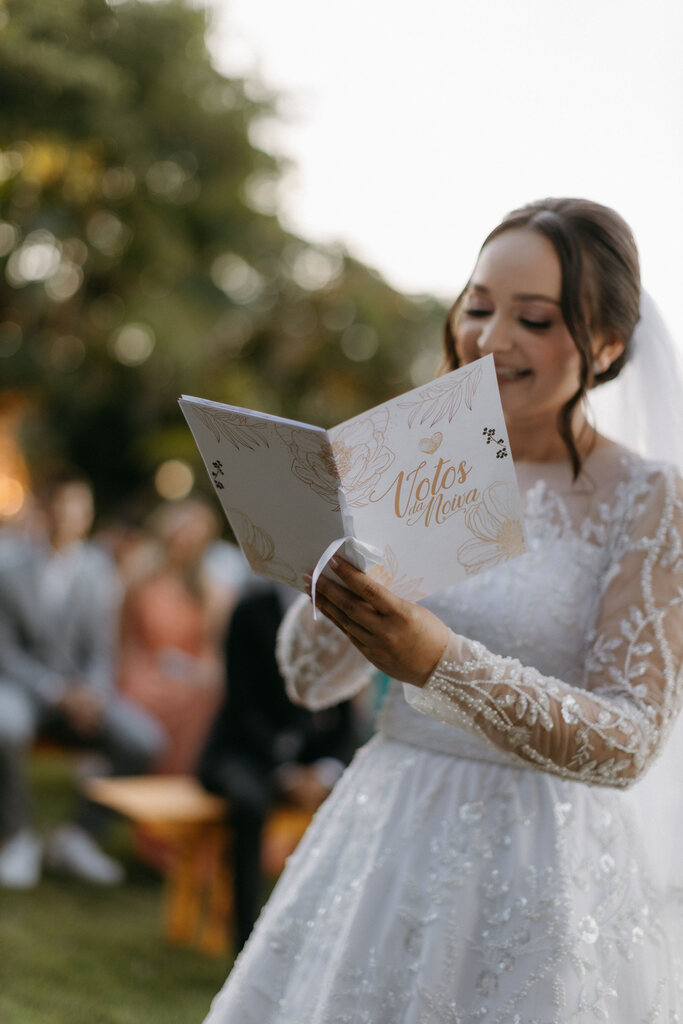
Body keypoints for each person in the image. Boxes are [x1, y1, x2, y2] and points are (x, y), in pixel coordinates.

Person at [201, 198, 683, 1022]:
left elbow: (630, 741)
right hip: (384, 836)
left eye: (533, 319)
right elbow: (309, 679)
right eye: (478, 306)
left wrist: (437, 660)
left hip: (540, 866)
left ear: (604, 345)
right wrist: (335, 556)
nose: (491, 340)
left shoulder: (645, 500)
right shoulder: (418, 457)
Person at [0, 470, 164, 889]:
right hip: (21, 688)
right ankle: (17, 838)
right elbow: (5, 652)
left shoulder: (98, 571)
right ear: (45, 511)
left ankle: (77, 836)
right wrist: (56, 693)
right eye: (62, 507)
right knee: (5, 726)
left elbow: (101, 650)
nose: (70, 517)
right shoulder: (8, 566)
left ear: (89, 514)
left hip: (83, 693)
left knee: (144, 740)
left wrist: (91, 694)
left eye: (80, 508)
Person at [198, 580, 360, 952]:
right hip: (245, 752)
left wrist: (325, 770)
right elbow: (241, 699)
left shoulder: (341, 612)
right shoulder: (251, 608)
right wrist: (285, 770)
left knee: (360, 804)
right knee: (250, 805)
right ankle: (244, 941)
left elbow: (346, 709)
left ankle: (326, 938)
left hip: (314, 760)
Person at [117, 498, 227, 775]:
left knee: (203, 699)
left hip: (189, 677)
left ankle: (179, 784)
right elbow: (124, 639)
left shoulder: (210, 591)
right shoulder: (140, 579)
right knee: (142, 697)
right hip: (145, 671)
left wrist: (201, 673)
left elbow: (211, 650)